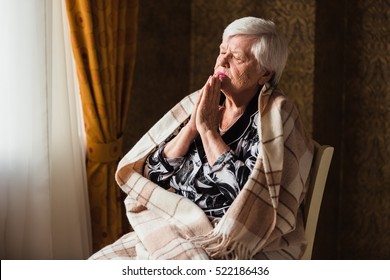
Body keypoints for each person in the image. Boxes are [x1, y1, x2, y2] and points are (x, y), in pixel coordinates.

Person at [90, 16, 314, 260]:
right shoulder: (207, 101)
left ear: (264, 74)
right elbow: (153, 174)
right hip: (172, 224)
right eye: (222, 51)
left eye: (236, 57)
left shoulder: (274, 117)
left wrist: (209, 132)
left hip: (224, 238)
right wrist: (192, 128)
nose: (222, 61)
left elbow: (249, 203)